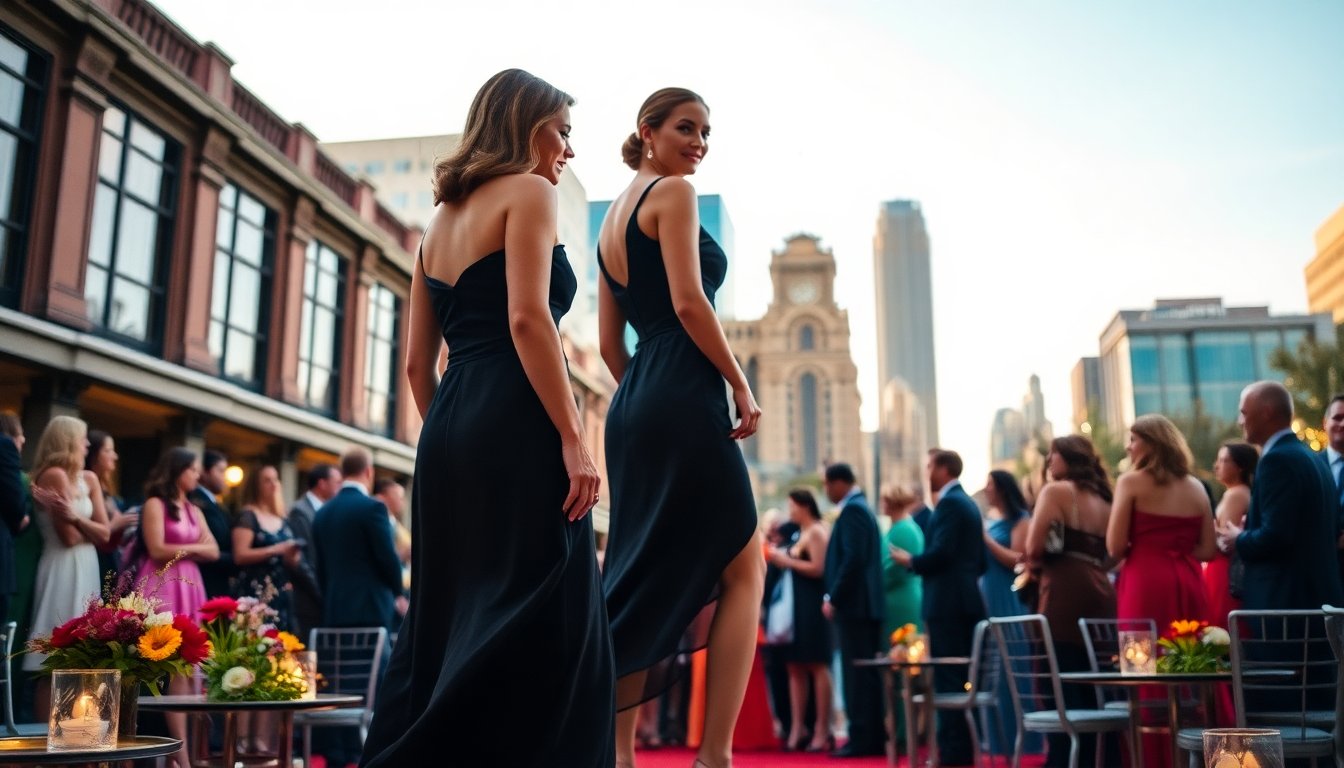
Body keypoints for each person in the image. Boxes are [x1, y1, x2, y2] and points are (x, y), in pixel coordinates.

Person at [360, 69, 612, 768]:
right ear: (526, 126)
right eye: (562, 132)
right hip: (518, 415)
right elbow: (529, 319)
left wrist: (457, 440)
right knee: (552, 614)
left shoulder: (436, 225)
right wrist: (572, 437)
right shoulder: (531, 192)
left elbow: (418, 366)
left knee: (451, 615)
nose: (568, 150)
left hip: (450, 428)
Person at [597, 87, 761, 768]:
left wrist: (644, 395)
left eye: (705, 133)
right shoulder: (674, 193)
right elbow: (692, 302)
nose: (699, 143)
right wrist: (738, 381)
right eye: (686, 128)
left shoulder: (610, 221)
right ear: (649, 131)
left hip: (635, 398)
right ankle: (715, 755)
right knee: (745, 564)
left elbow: (610, 346)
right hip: (682, 388)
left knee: (636, 572)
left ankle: (618, 754)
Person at [1108, 415, 1216, 768]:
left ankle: (1153, 757)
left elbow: (1114, 546)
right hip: (1188, 582)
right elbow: (1208, 550)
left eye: (1133, 439)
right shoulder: (1196, 487)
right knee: (1193, 668)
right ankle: (1197, 755)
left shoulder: (1130, 482)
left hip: (1144, 584)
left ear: (1152, 443)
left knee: (1144, 668)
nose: (1128, 447)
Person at [889, 449, 986, 767]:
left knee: (948, 677)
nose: (927, 470)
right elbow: (979, 561)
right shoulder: (965, 503)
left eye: (930, 465)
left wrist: (910, 560)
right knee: (959, 676)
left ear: (944, 469)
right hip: (962, 601)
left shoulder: (950, 504)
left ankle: (954, 752)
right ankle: (961, 748)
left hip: (948, 605)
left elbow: (941, 553)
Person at [1027, 435, 1117, 768]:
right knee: (1098, 683)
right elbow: (1115, 553)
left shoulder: (1055, 491)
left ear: (1069, 458)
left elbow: (1033, 548)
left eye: (1053, 455)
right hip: (1101, 592)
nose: (1048, 461)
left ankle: (1065, 759)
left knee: (1057, 679)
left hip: (1062, 592)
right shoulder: (1106, 497)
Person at [1219, 381, 1344, 610]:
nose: (1240, 421)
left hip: (1286, 603)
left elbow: (1276, 536)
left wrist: (1239, 538)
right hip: (1317, 598)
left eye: (1244, 413)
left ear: (1266, 412)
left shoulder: (1277, 460)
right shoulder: (1313, 458)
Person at [133, 447, 219, 768]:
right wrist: (195, 548)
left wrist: (185, 549)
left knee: (189, 667)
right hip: (163, 585)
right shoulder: (155, 504)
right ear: (177, 470)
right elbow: (157, 549)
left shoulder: (194, 509)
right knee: (168, 666)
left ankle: (186, 754)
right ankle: (177, 753)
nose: (197, 475)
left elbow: (215, 550)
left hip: (191, 586)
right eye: (192, 469)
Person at [24, 416, 110, 716]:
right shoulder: (54, 475)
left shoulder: (89, 479)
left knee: (83, 656)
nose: (87, 444)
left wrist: (75, 517)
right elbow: (70, 538)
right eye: (82, 438)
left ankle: (77, 728)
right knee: (54, 660)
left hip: (87, 566)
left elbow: (106, 534)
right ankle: (45, 733)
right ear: (68, 440)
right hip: (62, 566)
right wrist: (86, 527)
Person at [820, 463, 884, 758]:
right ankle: (870, 736)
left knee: (858, 675)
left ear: (840, 483)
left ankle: (862, 737)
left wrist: (834, 596)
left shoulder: (853, 510)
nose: (826, 490)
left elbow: (853, 559)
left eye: (827, 484)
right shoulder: (860, 507)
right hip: (863, 606)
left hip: (856, 606)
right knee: (864, 674)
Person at [978, 470, 1042, 758]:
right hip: (990, 598)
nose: (986, 489)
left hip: (1010, 598)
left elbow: (1018, 560)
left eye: (990, 485)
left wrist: (985, 540)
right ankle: (998, 742)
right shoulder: (994, 520)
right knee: (993, 674)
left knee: (1013, 671)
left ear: (1003, 488)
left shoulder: (1021, 520)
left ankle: (1025, 742)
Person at [764, 489, 832, 753]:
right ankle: (797, 727)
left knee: (817, 665)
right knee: (794, 666)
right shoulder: (799, 533)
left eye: (792, 506)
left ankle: (821, 729)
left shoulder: (816, 531)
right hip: (794, 607)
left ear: (805, 506)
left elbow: (819, 568)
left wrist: (786, 560)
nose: (789, 511)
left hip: (812, 607)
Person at [1205, 441, 1257, 626]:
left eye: (1224, 460)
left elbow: (1225, 540)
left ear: (1240, 466)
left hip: (1224, 571)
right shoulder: (1240, 492)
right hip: (1223, 569)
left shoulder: (1236, 494)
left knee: (1222, 624)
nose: (1216, 465)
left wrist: (1208, 530)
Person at [287, 463, 338, 638]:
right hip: (307, 600)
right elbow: (302, 559)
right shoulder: (300, 511)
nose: (340, 487)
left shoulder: (326, 511)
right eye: (337, 482)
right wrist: (321, 592)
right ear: (322, 484)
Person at [84, 430, 136, 576]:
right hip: (95, 558)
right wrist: (115, 524)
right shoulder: (85, 485)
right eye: (108, 451)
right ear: (93, 454)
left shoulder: (107, 487)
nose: (115, 456)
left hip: (112, 559)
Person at [189, 450, 236, 598]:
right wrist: (234, 559)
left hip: (218, 578)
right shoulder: (195, 501)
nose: (224, 478)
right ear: (205, 472)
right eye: (221, 471)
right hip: (204, 579)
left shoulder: (215, 503)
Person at [1320, 395, 1344, 584]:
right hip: (1321, 571)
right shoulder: (1310, 466)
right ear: (1325, 423)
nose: (1342, 424)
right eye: (1337, 418)